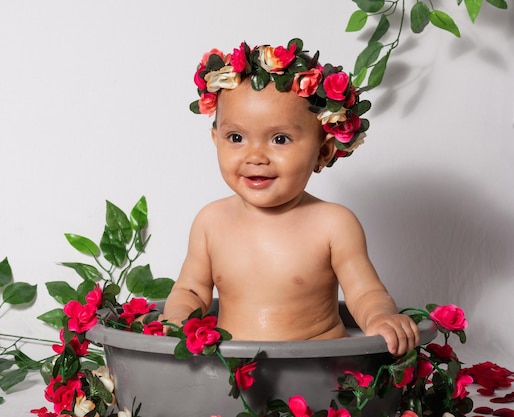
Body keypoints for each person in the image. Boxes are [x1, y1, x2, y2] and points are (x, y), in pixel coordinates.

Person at [162, 38, 419, 356]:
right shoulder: (210, 222)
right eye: (236, 137)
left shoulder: (333, 224)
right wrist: (175, 320)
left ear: (322, 151)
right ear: (216, 139)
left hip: (316, 369)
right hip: (232, 372)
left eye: (280, 139)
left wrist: (380, 317)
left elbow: (365, 292)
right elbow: (191, 290)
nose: (255, 156)